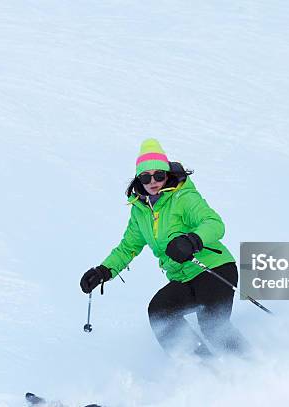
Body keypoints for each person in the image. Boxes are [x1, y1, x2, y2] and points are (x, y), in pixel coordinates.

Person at [80, 138, 247, 358]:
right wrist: (103, 271)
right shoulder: (140, 211)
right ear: (139, 178)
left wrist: (192, 240)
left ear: (167, 174)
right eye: (146, 176)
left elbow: (215, 224)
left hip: (213, 269)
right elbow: (128, 247)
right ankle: (203, 369)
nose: (153, 181)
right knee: (161, 311)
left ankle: (253, 367)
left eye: (159, 175)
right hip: (183, 278)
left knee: (212, 326)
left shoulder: (184, 197)